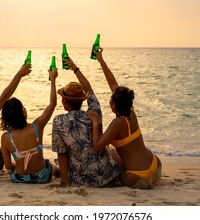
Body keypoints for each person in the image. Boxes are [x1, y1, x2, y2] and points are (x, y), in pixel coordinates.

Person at [87, 48, 162, 189]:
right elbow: (114, 85)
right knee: (114, 152)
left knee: (109, 157)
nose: (110, 100)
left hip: (139, 177)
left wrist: (95, 122)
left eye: (111, 100)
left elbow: (97, 147)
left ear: (114, 106)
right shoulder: (131, 112)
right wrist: (101, 61)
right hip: (155, 166)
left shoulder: (118, 123)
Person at [51, 57, 121, 187]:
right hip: (106, 175)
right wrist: (74, 67)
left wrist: (63, 182)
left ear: (65, 102)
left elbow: (62, 153)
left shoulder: (59, 121)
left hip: (81, 180)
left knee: (58, 160)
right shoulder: (94, 112)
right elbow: (89, 89)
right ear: (82, 101)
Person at [0, 69, 59, 184]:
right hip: (42, 177)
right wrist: (53, 80)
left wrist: (21, 160)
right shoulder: (37, 126)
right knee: (52, 168)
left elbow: (8, 166)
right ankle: (59, 169)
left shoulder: (6, 137)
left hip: (20, 178)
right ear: (23, 112)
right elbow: (52, 103)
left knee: (16, 166)